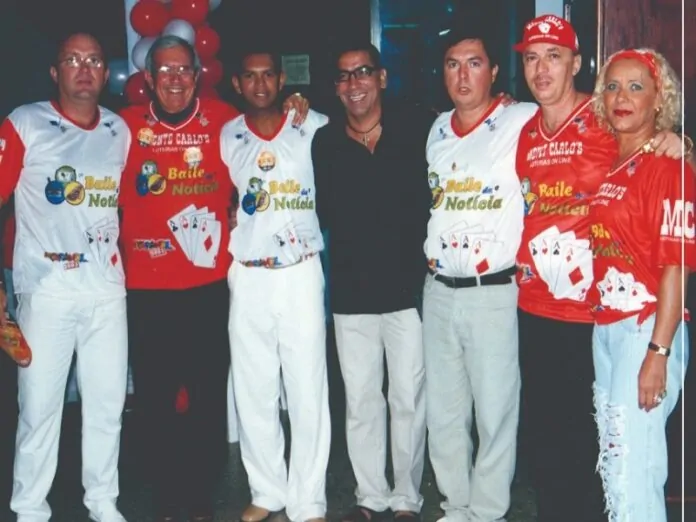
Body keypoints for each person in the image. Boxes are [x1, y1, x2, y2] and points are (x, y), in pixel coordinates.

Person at [119, 35, 309, 522]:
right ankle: (166, 500)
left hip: (208, 287)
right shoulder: (123, 127)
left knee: (207, 397)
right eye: (165, 70)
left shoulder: (225, 119)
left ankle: (203, 497)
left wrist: (295, 102)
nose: (175, 79)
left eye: (184, 69)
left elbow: (269, 126)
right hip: (146, 288)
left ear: (198, 75)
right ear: (148, 78)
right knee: (156, 399)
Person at [513, 15, 687, 522]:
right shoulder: (524, 130)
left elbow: (666, 174)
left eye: (554, 56)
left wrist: (683, 145)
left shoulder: (610, 123)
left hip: (602, 315)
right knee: (560, 441)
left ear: (576, 64)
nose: (542, 69)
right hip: (545, 308)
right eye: (532, 57)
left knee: (608, 449)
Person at [0, 32, 130, 522]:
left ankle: (103, 501)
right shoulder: (25, 123)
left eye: (93, 60)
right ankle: (30, 508)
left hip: (107, 292)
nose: (84, 68)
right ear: (55, 72)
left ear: (105, 72)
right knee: (39, 408)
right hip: (47, 291)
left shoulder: (119, 130)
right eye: (73, 60)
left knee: (106, 406)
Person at [422, 20, 537, 522]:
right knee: (444, 412)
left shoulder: (521, 118)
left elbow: (588, 117)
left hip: (492, 291)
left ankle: (488, 513)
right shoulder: (437, 129)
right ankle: (456, 506)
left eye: (474, 63)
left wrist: (673, 141)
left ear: (493, 71)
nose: (463, 75)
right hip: (438, 289)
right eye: (453, 64)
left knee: (494, 412)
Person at [311, 42, 431, 522]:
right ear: (335, 87)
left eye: (362, 72)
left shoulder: (417, 128)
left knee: (408, 398)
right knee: (361, 400)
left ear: (381, 77)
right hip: (350, 292)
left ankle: (406, 498)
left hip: (408, 291)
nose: (353, 83)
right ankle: (370, 495)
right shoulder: (323, 142)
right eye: (343, 76)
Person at [221, 47, 330, 522]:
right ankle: (267, 490)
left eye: (268, 75)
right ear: (237, 83)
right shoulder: (227, 135)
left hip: (300, 271)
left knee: (308, 389)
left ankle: (309, 499)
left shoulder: (313, 125)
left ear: (283, 80)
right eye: (250, 76)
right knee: (254, 389)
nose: (260, 84)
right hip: (248, 273)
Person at [588, 48, 694, 522]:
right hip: (608, 327)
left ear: (659, 100)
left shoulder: (670, 168)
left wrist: (659, 352)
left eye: (636, 87)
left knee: (637, 467)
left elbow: (677, 268)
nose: (622, 97)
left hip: (647, 329)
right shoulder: (615, 159)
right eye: (612, 86)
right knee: (617, 461)